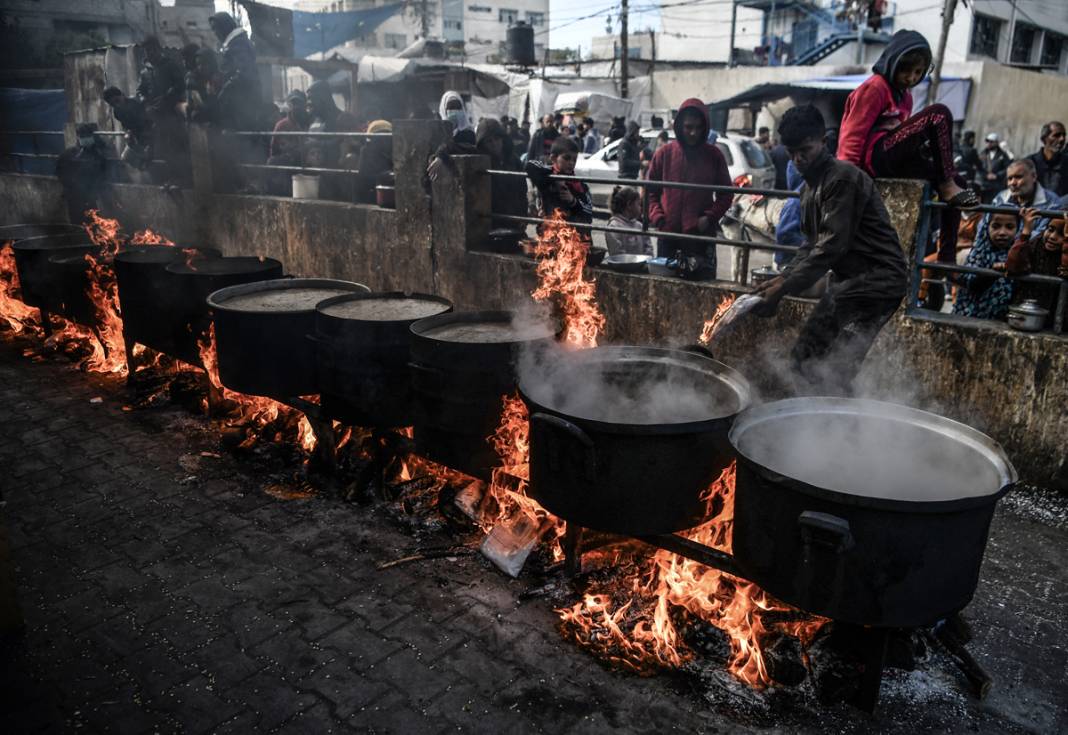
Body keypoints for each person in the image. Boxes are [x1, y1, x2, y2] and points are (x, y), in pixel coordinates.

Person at [751, 105, 907, 396]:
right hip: (848, 285)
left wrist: (783, 287)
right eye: (792, 152)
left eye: (805, 150)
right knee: (803, 358)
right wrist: (779, 281)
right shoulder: (808, 190)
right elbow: (809, 246)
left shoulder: (842, 179)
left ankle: (844, 421)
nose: (798, 159)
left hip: (877, 285)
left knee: (835, 370)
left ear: (824, 141)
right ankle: (820, 416)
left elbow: (831, 246)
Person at [837, 29, 977, 264]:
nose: (911, 78)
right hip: (874, 158)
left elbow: (903, 134)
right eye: (906, 71)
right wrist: (850, 179)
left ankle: (946, 257)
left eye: (918, 72)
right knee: (938, 114)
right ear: (893, 63)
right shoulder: (875, 87)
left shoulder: (905, 96)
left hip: (894, 157)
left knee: (959, 182)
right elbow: (852, 135)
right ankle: (946, 184)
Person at [646, 97, 732, 278]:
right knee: (666, 288)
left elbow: (726, 195)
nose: (694, 132)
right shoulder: (664, 154)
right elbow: (650, 191)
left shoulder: (714, 156)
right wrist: (659, 218)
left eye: (699, 127)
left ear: (705, 127)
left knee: (703, 287)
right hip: (668, 236)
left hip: (700, 237)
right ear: (679, 126)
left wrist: (708, 218)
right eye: (688, 127)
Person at [951, 209, 1019, 321]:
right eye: (996, 226)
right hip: (972, 316)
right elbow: (972, 285)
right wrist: (991, 273)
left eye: (1010, 227)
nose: (1002, 232)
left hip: (1002, 320)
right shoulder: (980, 252)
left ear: (1018, 229)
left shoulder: (1018, 254)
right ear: (987, 227)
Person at [1006, 209, 1066, 327]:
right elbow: (1014, 266)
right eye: (1050, 229)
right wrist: (1026, 231)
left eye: (1062, 234)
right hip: (1028, 310)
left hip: (1058, 317)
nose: (1052, 237)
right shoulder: (1037, 244)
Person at [209, 12, 262, 131]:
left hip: (243, 105)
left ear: (225, 26)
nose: (215, 33)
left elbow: (244, 73)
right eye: (213, 29)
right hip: (240, 104)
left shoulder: (238, 44)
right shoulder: (234, 44)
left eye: (216, 28)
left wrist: (225, 89)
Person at [525, 136, 593, 230]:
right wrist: (555, 179)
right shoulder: (547, 176)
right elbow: (529, 165)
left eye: (574, 159)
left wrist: (573, 201)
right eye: (566, 158)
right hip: (550, 232)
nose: (571, 163)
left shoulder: (581, 185)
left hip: (574, 233)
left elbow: (589, 212)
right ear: (553, 158)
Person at [55, 123, 109, 225]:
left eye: (88, 136)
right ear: (78, 137)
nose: (86, 139)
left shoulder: (98, 155)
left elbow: (102, 174)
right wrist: (71, 185)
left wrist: (94, 190)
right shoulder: (69, 154)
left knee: (92, 222)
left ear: (92, 137)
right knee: (77, 223)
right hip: (73, 196)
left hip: (89, 196)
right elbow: (60, 172)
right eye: (83, 136)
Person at [102, 86, 153, 169]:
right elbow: (125, 125)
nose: (117, 105)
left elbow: (148, 121)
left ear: (122, 95)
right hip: (137, 137)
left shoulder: (136, 103)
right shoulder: (117, 112)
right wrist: (128, 133)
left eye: (117, 100)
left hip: (153, 133)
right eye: (113, 104)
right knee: (127, 158)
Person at [773, 160, 805, 270]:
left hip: (795, 259)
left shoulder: (796, 199)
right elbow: (785, 233)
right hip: (792, 260)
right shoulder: (796, 201)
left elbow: (784, 233)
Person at [605, 185, 652, 256]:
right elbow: (617, 253)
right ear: (629, 205)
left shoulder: (639, 225)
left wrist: (647, 258)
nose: (641, 208)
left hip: (642, 262)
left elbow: (648, 247)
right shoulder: (614, 226)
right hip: (624, 263)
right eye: (638, 204)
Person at [1027, 121, 1067, 198]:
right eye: (1056, 135)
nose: (1062, 139)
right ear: (1044, 139)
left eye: (1064, 135)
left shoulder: (1066, 163)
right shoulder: (1029, 164)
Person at [979, 132, 1010, 203]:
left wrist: (997, 175)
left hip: (996, 186)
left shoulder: (1003, 155)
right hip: (984, 185)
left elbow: (1008, 168)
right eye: (987, 141)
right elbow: (978, 167)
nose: (989, 143)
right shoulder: (982, 154)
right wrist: (985, 175)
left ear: (996, 143)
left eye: (991, 142)